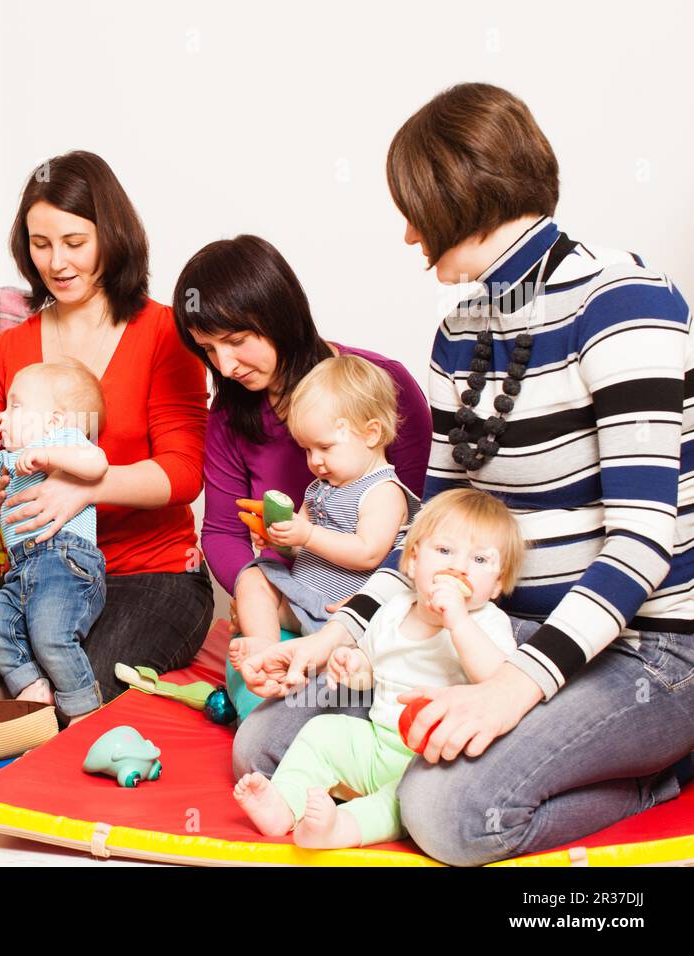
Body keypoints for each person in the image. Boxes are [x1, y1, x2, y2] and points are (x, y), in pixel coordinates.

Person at [233, 82, 694, 866]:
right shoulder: (458, 335)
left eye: (414, 206)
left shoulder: (626, 301)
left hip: (646, 654)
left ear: (456, 193)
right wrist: (340, 634)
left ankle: (660, 773)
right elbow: (430, 531)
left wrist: (512, 688)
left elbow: (645, 541)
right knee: (263, 748)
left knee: (444, 810)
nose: (410, 234)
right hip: (485, 629)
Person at [0, 151, 213, 706]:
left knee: (79, 678)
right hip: (39, 572)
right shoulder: (9, 350)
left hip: (152, 573)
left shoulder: (164, 332)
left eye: (74, 242)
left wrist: (82, 490)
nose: (57, 263)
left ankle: (54, 752)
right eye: (40, 244)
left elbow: (185, 472)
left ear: (111, 236)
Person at [171, 235, 431, 629]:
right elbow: (223, 531)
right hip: (295, 591)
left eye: (236, 341)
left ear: (279, 316)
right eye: (208, 349)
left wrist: (376, 597)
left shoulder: (382, 383)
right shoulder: (230, 413)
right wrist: (255, 589)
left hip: (382, 595)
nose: (224, 367)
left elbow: (427, 519)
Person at [235, 489, 520, 848]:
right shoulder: (394, 610)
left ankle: (342, 829)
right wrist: (352, 666)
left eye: (480, 560)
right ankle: (283, 805)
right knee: (322, 732)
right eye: (445, 551)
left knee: (401, 800)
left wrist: (459, 622)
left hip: (431, 760)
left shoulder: (488, 623)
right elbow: (372, 666)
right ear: (413, 561)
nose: (459, 567)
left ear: (496, 585)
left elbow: (497, 681)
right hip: (378, 741)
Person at [229, 355, 419, 673]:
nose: (315, 461)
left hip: (344, 618)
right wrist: (280, 541)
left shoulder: (384, 491)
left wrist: (309, 534)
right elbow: (301, 546)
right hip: (303, 600)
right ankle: (265, 644)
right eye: (307, 449)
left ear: (371, 434)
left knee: (370, 648)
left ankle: (310, 665)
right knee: (253, 575)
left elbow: (368, 553)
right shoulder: (320, 487)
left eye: (325, 447)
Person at [0, 359, 109, 719]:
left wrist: (48, 455)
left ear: (55, 420)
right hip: (21, 566)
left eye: (15, 406)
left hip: (66, 562)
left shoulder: (63, 441)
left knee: (50, 633)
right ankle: (32, 686)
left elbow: (96, 464)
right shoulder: (11, 457)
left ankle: (83, 712)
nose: (2, 416)